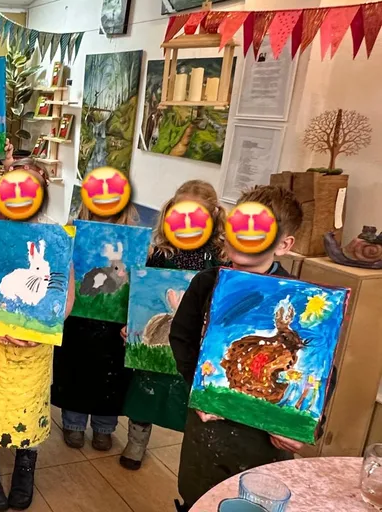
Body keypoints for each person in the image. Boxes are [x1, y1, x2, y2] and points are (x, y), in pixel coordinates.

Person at [170, 185, 305, 511]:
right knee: (200, 496)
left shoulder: (302, 299)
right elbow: (182, 338)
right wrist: (198, 391)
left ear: (284, 244)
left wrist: (303, 426)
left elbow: (316, 368)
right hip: (209, 428)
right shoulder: (206, 282)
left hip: (264, 442)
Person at [0, 166, 75, 511]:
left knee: (31, 404)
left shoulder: (56, 240)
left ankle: (26, 464)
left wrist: (43, 327)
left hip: (37, 347)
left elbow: (66, 296)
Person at [120, 180, 227, 470]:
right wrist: (132, 324)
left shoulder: (221, 257)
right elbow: (143, 295)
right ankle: (137, 440)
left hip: (197, 341)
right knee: (146, 388)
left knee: (189, 394)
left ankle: (193, 449)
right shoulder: (161, 252)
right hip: (160, 334)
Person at [52, 203, 139, 452]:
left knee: (111, 377)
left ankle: (104, 427)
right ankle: (74, 424)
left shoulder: (133, 239)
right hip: (78, 321)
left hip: (116, 325)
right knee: (75, 371)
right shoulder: (74, 232)